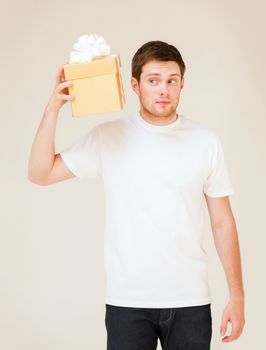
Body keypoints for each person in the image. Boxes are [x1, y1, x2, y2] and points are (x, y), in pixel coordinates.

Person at [28, 40, 245, 350]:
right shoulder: (109, 136)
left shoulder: (205, 142)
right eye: (153, 80)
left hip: (190, 301)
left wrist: (237, 297)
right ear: (135, 84)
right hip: (128, 303)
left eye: (172, 81)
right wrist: (52, 109)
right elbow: (40, 173)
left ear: (182, 84)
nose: (163, 90)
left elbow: (223, 221)